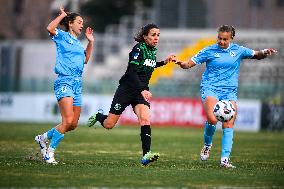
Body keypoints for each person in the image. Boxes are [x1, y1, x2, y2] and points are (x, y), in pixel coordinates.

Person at [176, 25, 277, 168]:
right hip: (211, 88)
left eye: (225, 39)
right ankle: (207, 144)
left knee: (228, 123)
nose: (221, 42)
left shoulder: (238, 50)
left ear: (231, 38)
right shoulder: (209, 50)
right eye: (219, 38)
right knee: (212, 118)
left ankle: (225, 159)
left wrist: (265, 52)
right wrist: (182, 63)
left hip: (229, 91)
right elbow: (188, 64)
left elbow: (257, 55)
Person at [87, 23, 177, 166]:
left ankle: (146, 155)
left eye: (158, 35)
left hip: (140, 91)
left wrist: (164, 62)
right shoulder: (138, 49)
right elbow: (132, 71)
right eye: (153, 35)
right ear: (145, 36)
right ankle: (99, 116)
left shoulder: (152, 50)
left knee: (145, 119)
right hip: (127, 89)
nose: (156, 38)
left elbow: (149, 65)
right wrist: (142, 89)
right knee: (109, 124)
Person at [35, 6, 95, 164]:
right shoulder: (61, 36)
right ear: (70, 23)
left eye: (82, 22)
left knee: (73, 124)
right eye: (79, 22)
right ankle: (50, 152)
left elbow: (85, 60)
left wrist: (91, 42)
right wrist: (62, 15)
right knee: (67, 120)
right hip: (65, 81)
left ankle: (43, 138)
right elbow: (50, 27)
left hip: (77, 84)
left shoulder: (77, 43)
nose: (82, 25)